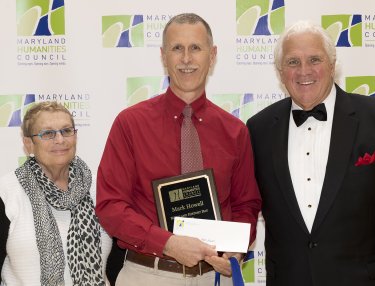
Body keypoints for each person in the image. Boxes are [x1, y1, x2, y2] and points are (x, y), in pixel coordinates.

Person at [96, 13, 261, 286]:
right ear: (163, 56)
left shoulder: (235, 131)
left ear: (213, 54)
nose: (186, 59)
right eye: (177, 48)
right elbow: (110, 205)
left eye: (196, 48)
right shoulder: (130, 124)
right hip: (148, 274)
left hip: (214, 276)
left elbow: (246, 204)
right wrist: (168, 243)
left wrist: (237, 245)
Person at [246, 20, 375, 286]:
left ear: (332, 64)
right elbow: (244, 203)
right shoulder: (258, 129)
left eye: (314, 59)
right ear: (281, 71)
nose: (304, 71)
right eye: (293, 62)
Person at [0, 101, 113, 286]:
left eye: (67, 131)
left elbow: (117, 262)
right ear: (28, 143)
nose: (60, 139)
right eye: (48, 133)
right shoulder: (7, 191)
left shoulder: (100, 187)